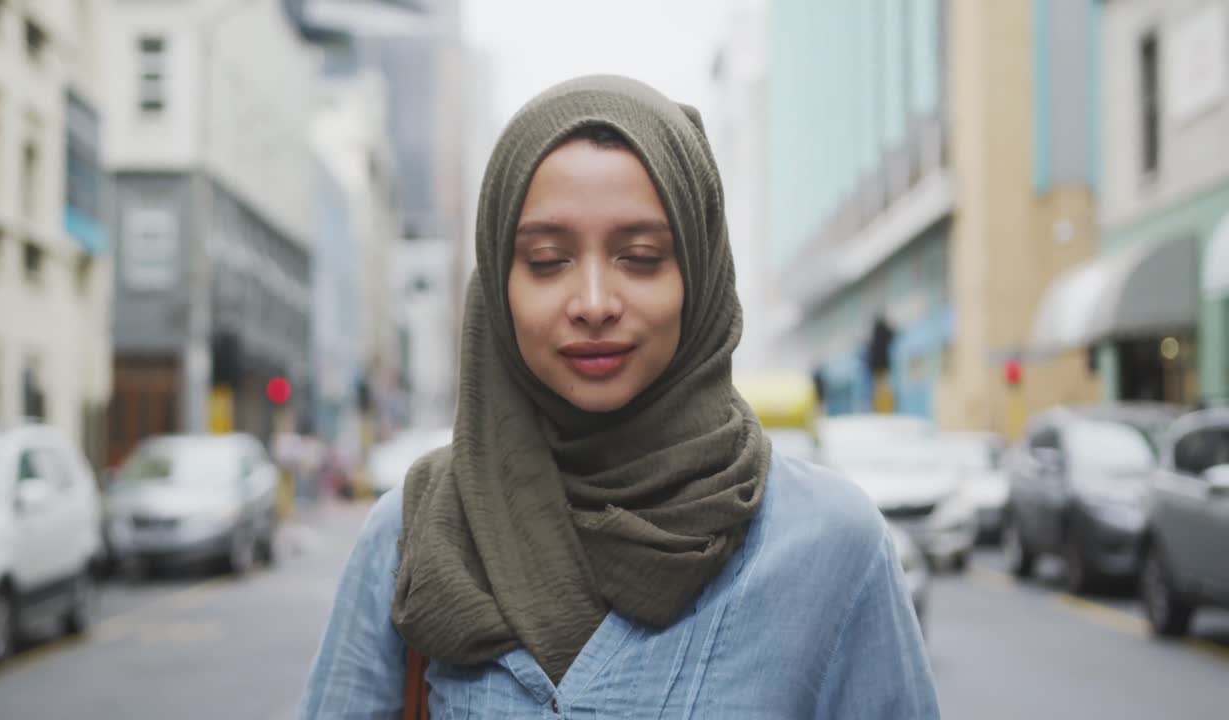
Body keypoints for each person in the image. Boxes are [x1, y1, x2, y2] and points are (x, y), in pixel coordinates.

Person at [299, 75, 939, 719]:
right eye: (548, 261)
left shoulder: (831, 545)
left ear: (700, 275)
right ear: (498, 283)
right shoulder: (414, 531)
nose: (596, 303)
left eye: (640, 257)